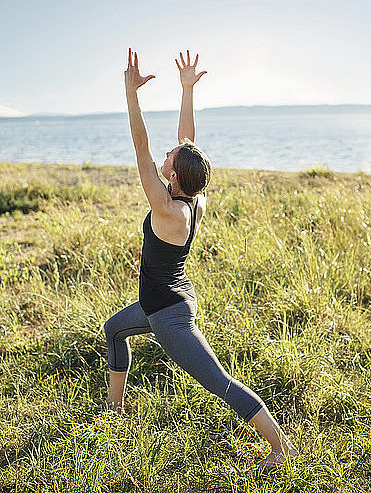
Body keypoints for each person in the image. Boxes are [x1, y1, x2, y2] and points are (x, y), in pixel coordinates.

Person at [104, 48, 299, 471]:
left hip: (169, 315)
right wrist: (187, 91)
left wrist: (130, 96)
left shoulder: (166, 209)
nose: (167, 155)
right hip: (165, 299)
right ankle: (114, 412)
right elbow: (187, 142)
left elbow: (141, 148)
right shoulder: (194, 198)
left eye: (170, 159)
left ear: (171, 176)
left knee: (218, 383)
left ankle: (282, 446)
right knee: (114, 330)